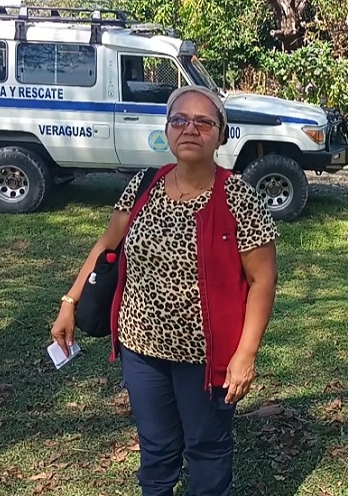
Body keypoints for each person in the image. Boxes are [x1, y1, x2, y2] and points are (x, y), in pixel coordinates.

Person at [51, 85, 278, 495]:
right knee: (157, 449)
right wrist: (70, 302)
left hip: (208, 356)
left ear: (221, 134)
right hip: (142, 350)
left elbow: (263, 281)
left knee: (207, 448)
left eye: (204, 121)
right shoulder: (144, 184)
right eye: (180, 120)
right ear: (167, 129)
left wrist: (246, 354)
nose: (190, 128)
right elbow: (107, 246)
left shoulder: (238, 196)